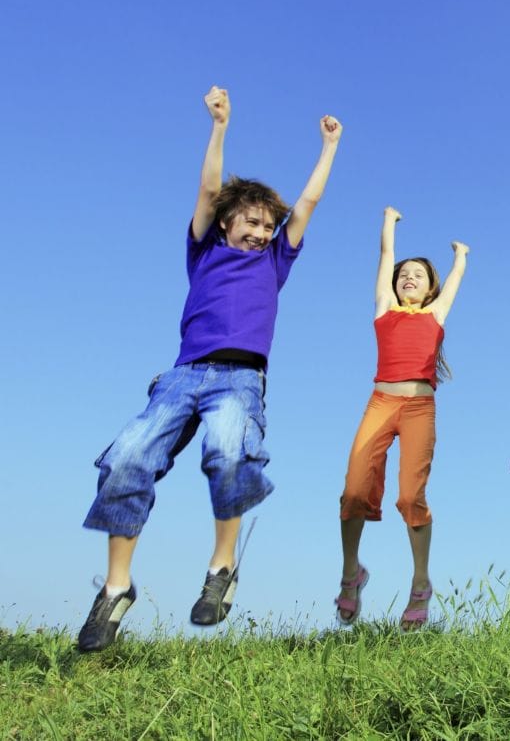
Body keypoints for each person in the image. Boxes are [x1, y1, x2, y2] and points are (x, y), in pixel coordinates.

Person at [77, 86, 342, 652]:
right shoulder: (204, 250)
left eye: (269, 225)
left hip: (239, 380)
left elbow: (308, 205)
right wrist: (220, 126)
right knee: (126, 459)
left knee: (228, 453)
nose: (262, 232)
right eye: (251, 222)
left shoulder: (276, 260)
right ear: (226, 223)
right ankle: (116, 589)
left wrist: (328, 148)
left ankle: (221, 569)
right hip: (181, 376)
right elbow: (207, 189)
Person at [336, 207, 468, 629]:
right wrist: (388, 224)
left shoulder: (435, 315)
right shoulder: (383, 309)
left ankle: (420, 584)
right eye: (403, 274)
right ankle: (351, 573)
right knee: (355, 489)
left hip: (418, 409)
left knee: (411, 496)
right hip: (380, 403)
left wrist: (460, 255)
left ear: (431, 289)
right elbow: (385, 257)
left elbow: (456, 282)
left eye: (418, 275)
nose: (408, 277)